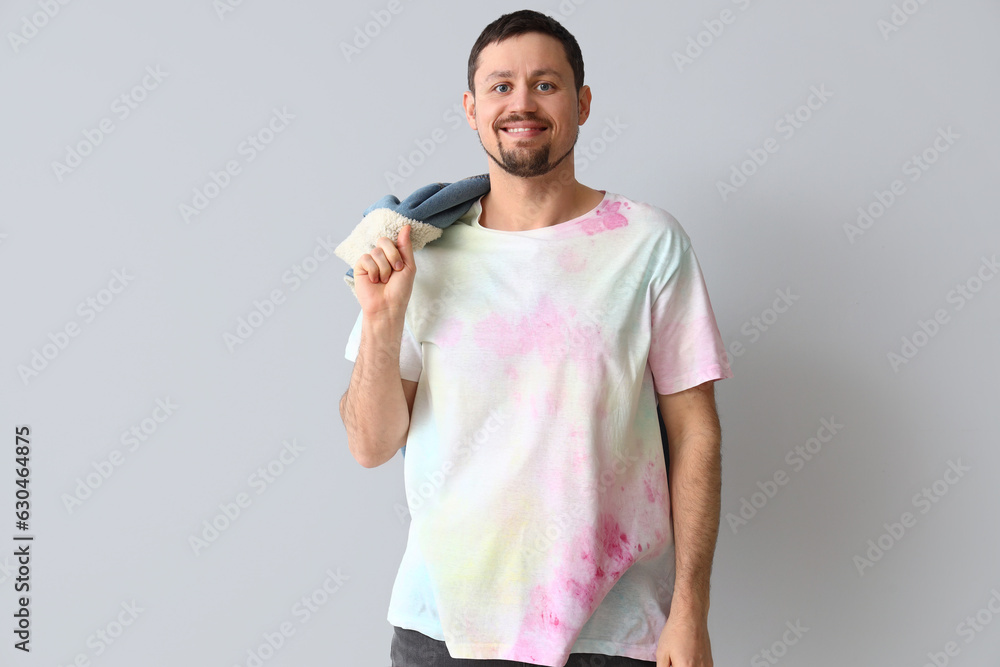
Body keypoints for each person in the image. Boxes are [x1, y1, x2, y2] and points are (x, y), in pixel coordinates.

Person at [340, 9, 732, 667]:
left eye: (545, 84)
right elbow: (370, 444)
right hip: (442, 630)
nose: (521, 102)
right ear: (471, 108)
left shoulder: (649, 244)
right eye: (500, 86)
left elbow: (696, 433)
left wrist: (690, 608)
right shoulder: (421, 252)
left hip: (610, 629)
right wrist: (382, 320)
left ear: (581, 103)